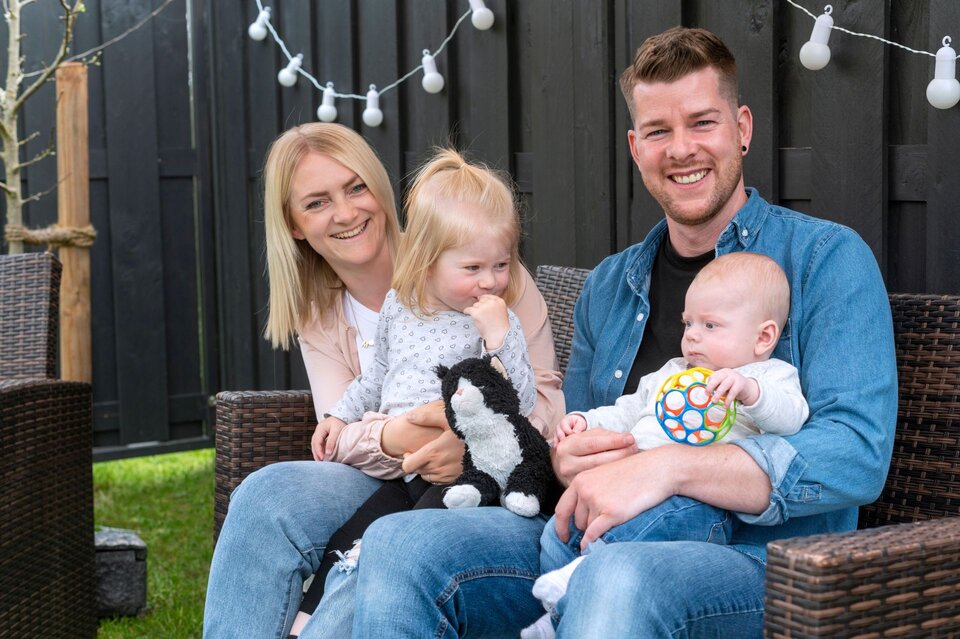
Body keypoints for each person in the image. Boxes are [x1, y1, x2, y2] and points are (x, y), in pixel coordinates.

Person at [343, 26, 896, 638]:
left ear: (742, 128)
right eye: (659, 131)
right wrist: (565, 453)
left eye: (702, 123)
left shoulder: (824, 259)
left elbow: (855, 455)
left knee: (619, 578)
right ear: (637, 148)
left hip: (754, 562)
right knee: (400, 544)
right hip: (583, 538)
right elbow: (568, 436)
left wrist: (673, 469)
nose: (680, 149)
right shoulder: (610, 285)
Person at [202, 124, 564, 639]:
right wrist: (399, 435)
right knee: (263, 495)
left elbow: (543, 399)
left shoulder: (484, 272)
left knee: (387, 542)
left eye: (356, 188)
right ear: (296, 225)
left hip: (491, 480)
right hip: (393, 473)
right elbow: (344, 436)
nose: (346, 213)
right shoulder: (319, 314)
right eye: (318, 202)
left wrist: (473, 444)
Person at [292, 147, 539, 635]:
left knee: (386, 546)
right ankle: (301, 627)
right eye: (472, 269)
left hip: (463, 477)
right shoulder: (398, 308)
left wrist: (499, 337)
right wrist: (338, 416)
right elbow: (375, 376)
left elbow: (522, 403)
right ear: (427, 262)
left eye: (501, 264)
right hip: (401, 471)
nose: (490, 281)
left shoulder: (493, 318)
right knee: (347, 541)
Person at [521, 252, 809, 639]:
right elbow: (628, 410)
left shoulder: (767, 376)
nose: (692, 335)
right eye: (688, 323)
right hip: (624, 485)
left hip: (695, 500)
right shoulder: (673, 373)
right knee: (558, 529)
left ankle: (567, 599)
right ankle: (561, 601)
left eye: (710, 325)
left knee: (631, 544)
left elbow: (792, 416)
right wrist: (586, 421)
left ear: (763, 337)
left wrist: (750, 392)